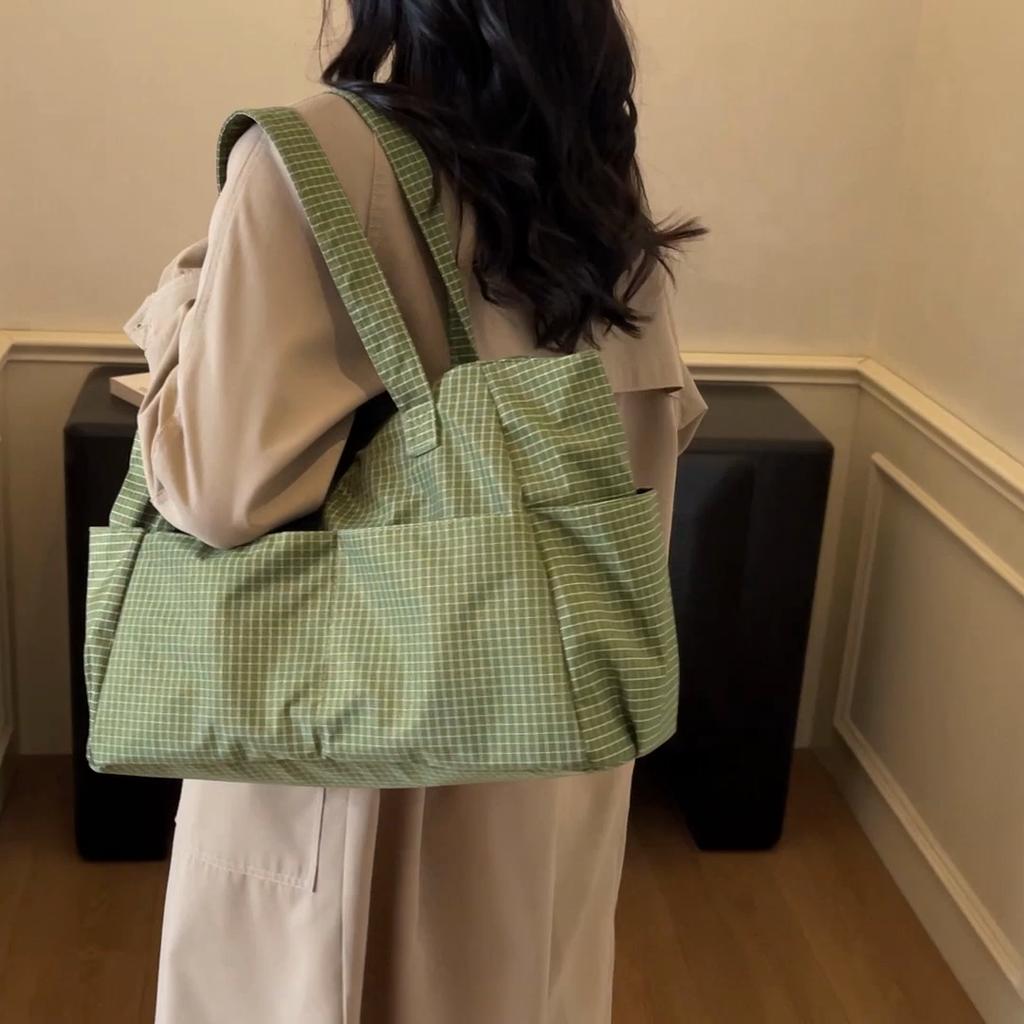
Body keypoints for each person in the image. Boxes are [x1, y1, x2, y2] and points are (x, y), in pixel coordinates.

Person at [129, 1, 706, 1021]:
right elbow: (651, 446)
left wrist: (184, 304)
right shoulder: (594, 181)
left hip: (359, 764)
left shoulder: (315, 156)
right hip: (554, 753)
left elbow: (219, 494)